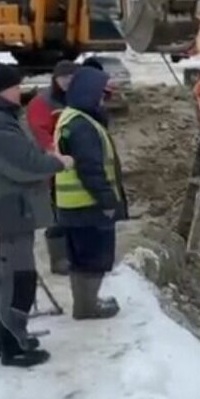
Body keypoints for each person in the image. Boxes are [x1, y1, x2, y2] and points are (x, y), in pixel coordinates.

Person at [0, 63, 73, 368]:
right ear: (0, 89)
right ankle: (12, 346)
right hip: (8, 209)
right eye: (15, 86)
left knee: (16, 277)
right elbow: (22, 164)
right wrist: (58, 163)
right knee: (17, 280)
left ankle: (13, 336)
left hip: (10, 207)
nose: (19, 92)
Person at [53, 65, 128, 320]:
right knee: (93, 258)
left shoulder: (72, 117)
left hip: (74, 206)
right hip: (88, 205)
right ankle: (87, 306)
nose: (102, 99)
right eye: (100, 94)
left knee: (82, 257)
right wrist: (108, 201)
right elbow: (91, 169)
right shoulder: (83, 126)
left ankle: (86, 302)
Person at [27, 60, 79, 274]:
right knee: (57, 212)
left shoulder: (78, 99)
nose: (67, 82)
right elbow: (39, 132)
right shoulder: (42, 103)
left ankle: (76, 253)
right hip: (55, 165)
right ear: (55, 79)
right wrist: (53, 152)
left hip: (77, 163)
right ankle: (58, 259)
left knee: (76, 210)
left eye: (71, 78)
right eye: (63, 78)